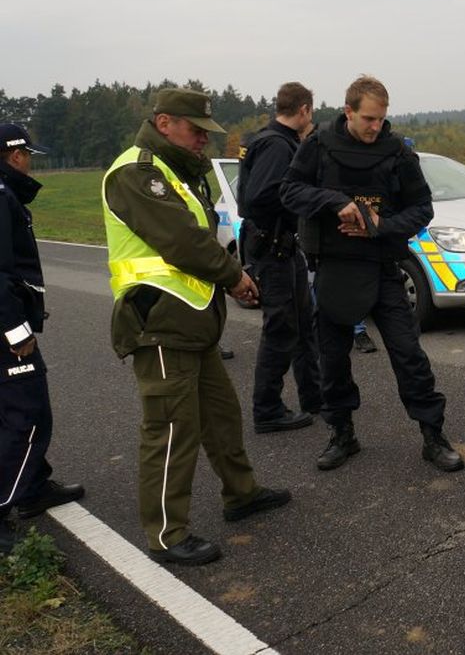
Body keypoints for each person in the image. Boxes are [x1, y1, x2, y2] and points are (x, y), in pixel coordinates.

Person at [103, 88, 291, 566]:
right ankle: (166, 534)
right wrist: (236, 277)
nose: (202, 142)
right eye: (195, 131)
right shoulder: (136, 172)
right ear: (164, 122)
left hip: (191, 322)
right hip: (159, 323)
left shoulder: (178, 172)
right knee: (170, 430)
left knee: (222, 417)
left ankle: (241, 493)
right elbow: (182, 241)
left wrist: (226, 283)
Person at [280, 76, 463, 472]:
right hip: (333, 268)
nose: (375, 127)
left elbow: (422, 209)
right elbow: (290, 191)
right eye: (367, 119)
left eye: (381, 119)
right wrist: (335, 202)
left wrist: (380, 224)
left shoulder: (396, 152)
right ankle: (342, 434)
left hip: (381, 270)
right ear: (348, 112)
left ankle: (433, 436)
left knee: (409, 355)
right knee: (332, 360)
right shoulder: (319, 146)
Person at [0, 123, 85, 554]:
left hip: (8, 321)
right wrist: (16, 332)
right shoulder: (1, 197)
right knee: (28, 417)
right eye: (28, 155)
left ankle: (32, 488)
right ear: (15, 155)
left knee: (17, 410)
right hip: (6, 329)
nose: (31, 162)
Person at [237, 82, 321, 433]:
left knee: (304, 324)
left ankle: (315, 396)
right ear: (303, 110)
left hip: (285, 247)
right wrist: (303, 201)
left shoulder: (274, 140)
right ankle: (267, 409)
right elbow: (256, 198)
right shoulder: (276, 145)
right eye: (310, 112)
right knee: (281, 330)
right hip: (273, 249)